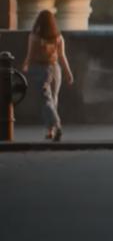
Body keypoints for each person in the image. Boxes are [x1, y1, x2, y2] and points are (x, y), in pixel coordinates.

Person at [22, 10, 74, 142]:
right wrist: (68, 72)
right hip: (56, 69)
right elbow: (62, 56)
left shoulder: (34, 37)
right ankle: (52, 131)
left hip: (41, 69)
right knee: (53, 99)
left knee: (46, 100)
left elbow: (30, 55)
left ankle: (57, 125)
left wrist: (25, 66)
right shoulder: (58, 37)